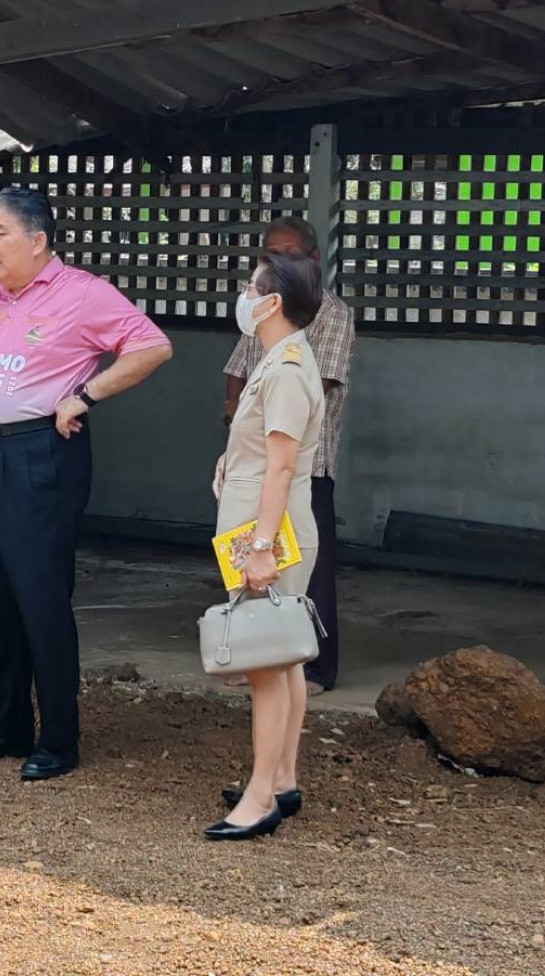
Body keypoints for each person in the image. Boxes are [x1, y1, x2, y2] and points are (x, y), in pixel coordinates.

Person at [0, 187, 173, 781]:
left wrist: (86, 395)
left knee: (39, 596)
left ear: (38, 240)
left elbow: (152, 346)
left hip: (35, 455)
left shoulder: (82, 293)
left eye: (0, 233)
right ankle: (5, 726)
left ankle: (58, 738)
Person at [206, 249, 325, 841]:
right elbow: (266, 452)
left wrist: (260, 548)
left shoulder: (284, 369)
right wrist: (231, 460)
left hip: (268, 532)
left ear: (273, 302)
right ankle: (281, 779)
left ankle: (259, 799)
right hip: (265, 525)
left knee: (264, 666)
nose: (244, 296)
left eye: (251, 289)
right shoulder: (281, 358)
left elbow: (281, 467)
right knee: (282, 655)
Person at [222, 216, 354, 694]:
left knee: (299, 572)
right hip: (259, 463)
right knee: (255, 572)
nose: (275, 262)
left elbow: (304, 401)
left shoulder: (324, 321)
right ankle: (260, 657)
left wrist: (257, 421)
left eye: (287, 254)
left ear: (313, 259)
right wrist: (236, 417)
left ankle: (309, 666)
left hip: (301, 468)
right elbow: (237, 369)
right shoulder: (265, 322)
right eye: (269, 254)